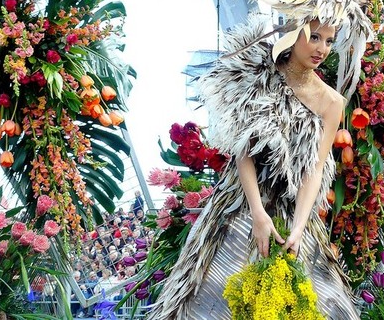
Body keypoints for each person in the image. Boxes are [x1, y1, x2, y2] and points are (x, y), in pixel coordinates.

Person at [147, 19, 359, 320]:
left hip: (294, 210)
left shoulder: (332, 101)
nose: (321, 49)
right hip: (240, 203)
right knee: (210, 298)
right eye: (314, 37)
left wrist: (299, 229)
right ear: (293, 35)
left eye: (328, 40)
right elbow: (242, 151)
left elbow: (315, 168)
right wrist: (258, 213)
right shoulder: (257, 75)